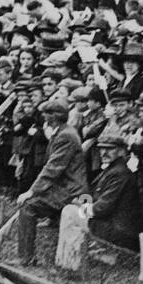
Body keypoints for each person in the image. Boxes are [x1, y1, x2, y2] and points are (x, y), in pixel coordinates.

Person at [16, 99, 88, 265]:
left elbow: (53, 168)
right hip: (65, 188)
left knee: (28, 207)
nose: (43, 117)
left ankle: (25, 258)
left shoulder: (66, 136)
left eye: (46, 114)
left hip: (73, 192)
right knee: (30, 204)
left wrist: (31, 191)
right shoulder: (63, 132)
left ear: (53, 117)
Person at [86, 127, 141, 252]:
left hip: (118, 233)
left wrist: (82, 210)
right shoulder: (111, 168)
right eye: (101, 148)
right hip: (108, 226)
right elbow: (92, 194)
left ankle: (76, 256)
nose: (104, 153)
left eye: (110, 149)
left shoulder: (120, 172)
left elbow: (103, 207)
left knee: (71, 214)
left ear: (122, 151)